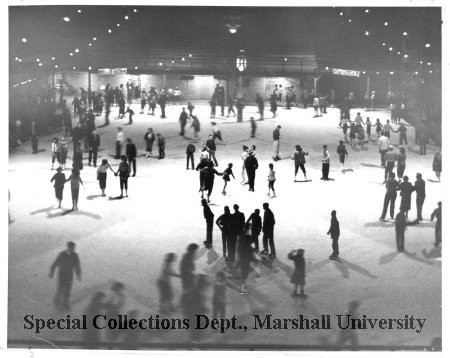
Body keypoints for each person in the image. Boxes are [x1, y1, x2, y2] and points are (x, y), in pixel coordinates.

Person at [49, 241, 81, 311]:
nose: (73, 249)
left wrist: (78, 274)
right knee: (60, 288)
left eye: (74, 247)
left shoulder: (75, 255)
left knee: (68, 290)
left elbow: (77, 265)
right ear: (68, 247)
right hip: (62, 274)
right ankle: (56, 302)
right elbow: (55, 262)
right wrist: (52, 271)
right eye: (72, 247)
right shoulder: (62, 254)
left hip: (69, 274)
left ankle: (65, 304)